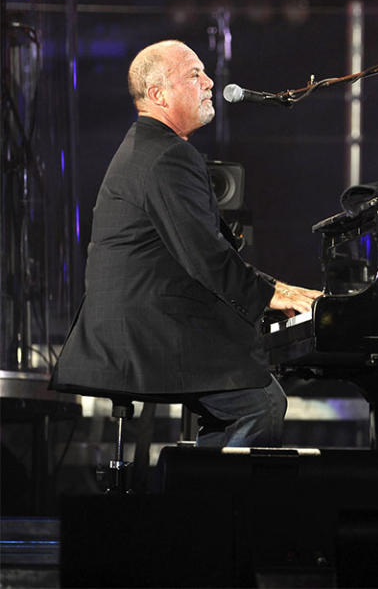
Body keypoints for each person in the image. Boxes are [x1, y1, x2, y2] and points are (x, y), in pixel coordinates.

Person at [52, 40, 322, 448]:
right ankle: (208, 506)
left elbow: (196, 253)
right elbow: (207, 257)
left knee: (247, 397)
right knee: (261, 402)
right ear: (158, 94)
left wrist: (272, 291)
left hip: (137, 327)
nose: (210, 82)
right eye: (195, 75)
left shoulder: (151, 149)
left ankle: (190, 491)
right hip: (144, 334)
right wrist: (272, 294)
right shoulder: (166, 157)